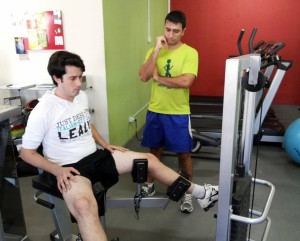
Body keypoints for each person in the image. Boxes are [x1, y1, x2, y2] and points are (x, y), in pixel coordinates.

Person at [20, 50, 218, 241]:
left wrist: (105, 144)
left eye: (81, 77)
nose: (79, 83)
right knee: (84, 206)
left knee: (148, 159)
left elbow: (88, 123)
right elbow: (26, 153)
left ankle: (202, 194)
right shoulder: (44, 109)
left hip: (96, 157)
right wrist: (56, 170)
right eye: (73, 78)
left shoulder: (80, 96)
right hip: (70, 169)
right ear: (57, 78)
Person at [138, 10, 203, 213]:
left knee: (183, 154)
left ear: (184, 31)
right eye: (167, 29)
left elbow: (186, 81)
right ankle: (148, 186)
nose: (170, 35)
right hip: (156, 109)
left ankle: (187, 193)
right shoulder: (154, 51)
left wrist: (159, 79)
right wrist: (157, 50)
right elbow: (143, 76)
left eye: (176, 31)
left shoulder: (190, 53)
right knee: (154, 151)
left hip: (178, 112)